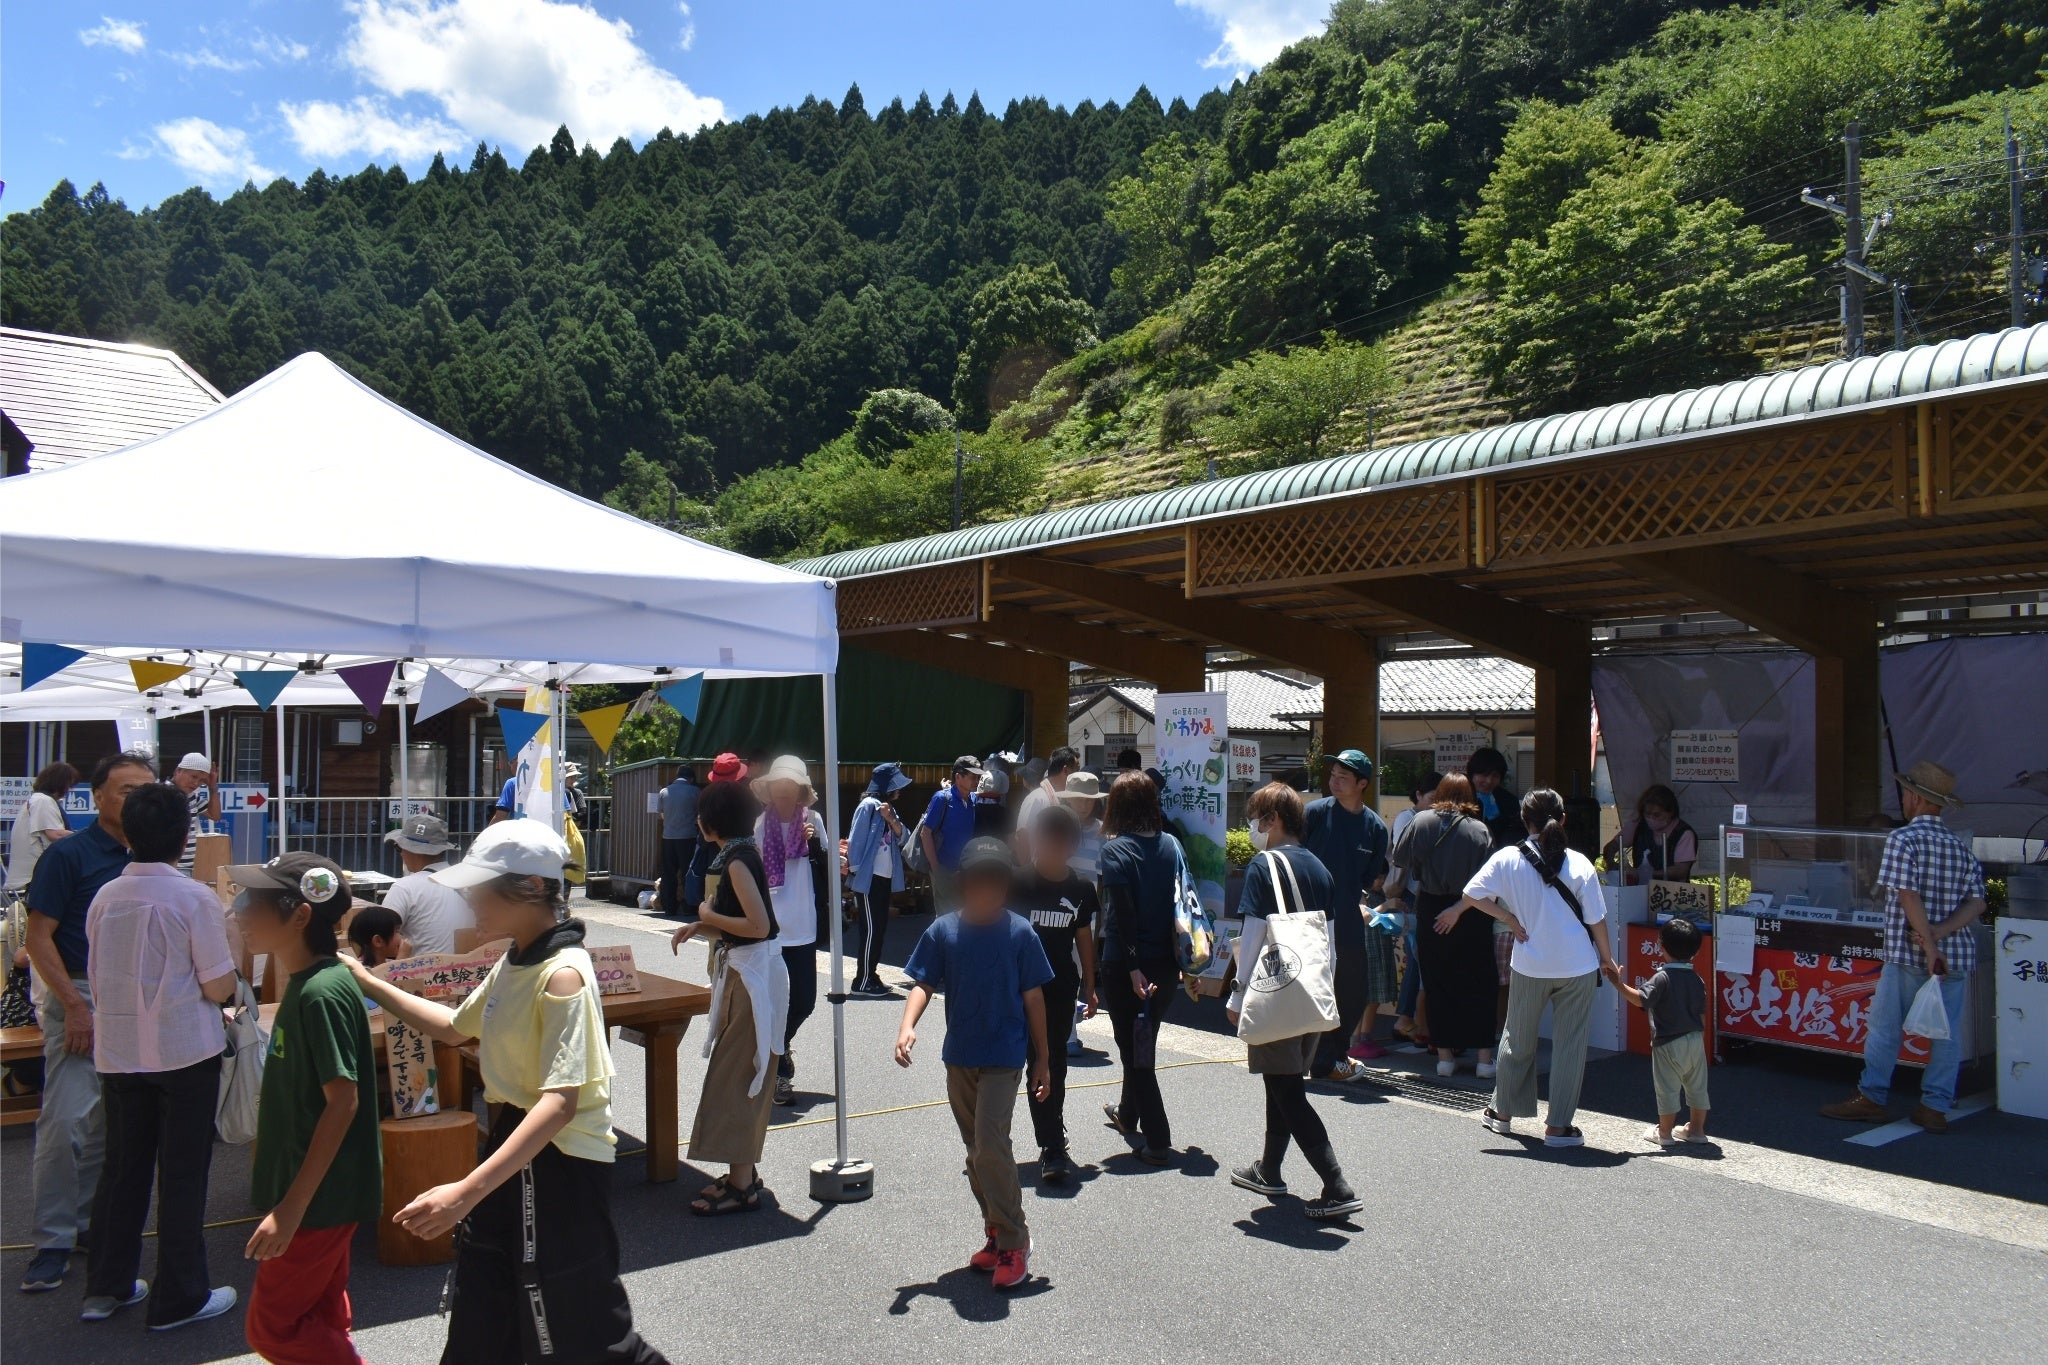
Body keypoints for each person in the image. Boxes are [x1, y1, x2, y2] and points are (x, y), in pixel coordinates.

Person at [349, 821, 668, 1365]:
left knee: (579, 1333)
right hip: (515, 1148)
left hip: (558, 1167)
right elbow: (454, 1027)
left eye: (479, 886)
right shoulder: (516, 958)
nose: (469, 898)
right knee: (486, 1310)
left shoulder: (563, 975)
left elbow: (560, 1103)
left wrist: (466, 1191)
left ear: (527, 889)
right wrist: (370, 981)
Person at [80, 781, 238, 1329]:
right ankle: (179, 1296)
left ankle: (106, 1284)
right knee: (183, 1174)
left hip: (120, 1051)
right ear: (184, 836)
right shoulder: (192, 896)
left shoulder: (105, 895)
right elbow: (219, 985)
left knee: (122, 1169)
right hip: (184, 1050)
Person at [233, 852, 382, 1365]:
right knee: (320, 1313)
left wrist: (291, 1207)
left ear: (299, 915)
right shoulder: (309, 981)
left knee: (271, 1330)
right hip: (318, 1191)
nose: (240, 911)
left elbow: (343, 1102)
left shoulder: (320, 992)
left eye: (254, 901)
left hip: (316, 1198)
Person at [20, 751, 154, 1295]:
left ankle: (83, 1225)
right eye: (125, 790)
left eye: (146, 790)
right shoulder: (69, 855)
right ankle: (51, 1239)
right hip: (79, 991)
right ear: (96, 797)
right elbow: (37, 938)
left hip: (134, 997)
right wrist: (74, 1006)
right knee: (66, 1119)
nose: (136, 799)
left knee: (109, 1121)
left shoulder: (152, 855)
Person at [895, 837, 1053, 1291]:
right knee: (976, 1153)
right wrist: (907, 1025)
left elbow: (1034, 996)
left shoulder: (1021, 933)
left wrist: (1042, 1058)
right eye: (980, 881)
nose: (989, 890)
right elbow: (923, 982)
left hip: (1005, 1056)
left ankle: (1014, 1240)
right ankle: (994, 1231)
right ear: (964, 884)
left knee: (990, 1145)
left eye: (997, 881)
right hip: (960, 1055)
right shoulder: (943, 931)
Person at [1444, 789, 1618, 1147]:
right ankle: (1558, 1127)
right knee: (1570, 1045)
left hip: (1529, 962)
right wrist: (1607, 958)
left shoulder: (1509, 858)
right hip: (1578, 965)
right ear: (1563, 818)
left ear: (1524, 820)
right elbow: (1596, 919)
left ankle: (1502, 1113)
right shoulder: (1580, 863)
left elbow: (1471, 894)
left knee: (1517, 1038)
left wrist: (1508, 916)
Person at [1821, 760, 1988, 1133]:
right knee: (1945, 1035)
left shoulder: (1903, 839)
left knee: (1884, 1028)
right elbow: (1978, 902)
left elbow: (1907, 896)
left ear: (1913, 797)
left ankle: (1872, 1097)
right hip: (1956, 956)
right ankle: (1935, 1107)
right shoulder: (1958, 847)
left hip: (1909, 954)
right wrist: (1941, 934)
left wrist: (1929, 946)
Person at [1226, 782, 1363, 1219]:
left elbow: (1253, 933)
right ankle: (1269, 1169)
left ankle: (1336, 1185)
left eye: (1258, 818)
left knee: (1286, 1089)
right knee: (1283, 1081)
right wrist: (1326, 993)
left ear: (1274, 820)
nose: (1253, 827)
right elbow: (1331, 943)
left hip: (1275, 989)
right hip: (1312, 992)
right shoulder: (1320, 869)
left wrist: (1239, 991)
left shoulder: (1263, 865)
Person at [671, 778, 787, 1215]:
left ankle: (742, 1185)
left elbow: (758, 926)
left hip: (751, 976)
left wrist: (705, 914)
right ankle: (743, 1174)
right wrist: (704, 926)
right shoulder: (741, 853)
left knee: (737, 1076)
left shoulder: (736, 861)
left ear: (708, 822)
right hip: (751, 971)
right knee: (741, 1072)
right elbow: (752, 924)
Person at [1095, 771, 1183, 1164]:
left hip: (1127, 965)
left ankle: (1159, 1138)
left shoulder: (1115, 851)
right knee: (1140, 1042)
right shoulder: (1172, 846)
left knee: (1134, 1052)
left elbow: (1124, 914)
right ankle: (1128, 1114)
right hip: (1165, 963)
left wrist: (1131, 966)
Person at [1010, 802, 1099, 1183]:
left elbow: (1084, 939)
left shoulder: (1080, 888)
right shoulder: (1017, 883)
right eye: (1049, 840)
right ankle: (987, 1141)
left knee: (1051, 1063)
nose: (1055, 848)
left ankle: (1052, 1145)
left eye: (1064, 841)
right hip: (1016, 990)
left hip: (1060, 988)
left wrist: (1092, 987)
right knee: (1010, 1063)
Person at [1390, 775, 1498, 1078]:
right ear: (1469, 795)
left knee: (1438, 981)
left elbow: (1399, 858)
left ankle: (1445, 1058)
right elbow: (1491, 881)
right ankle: (1484, 1060)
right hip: (1472, 909)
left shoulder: (1421, 821)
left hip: (1431, 906)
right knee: (1479, 982)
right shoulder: (1480, 829)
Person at [1303, 748, 1392, 1078]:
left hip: (1347, 918)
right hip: (1307, 917)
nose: (1334, 782)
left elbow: (1369, 878)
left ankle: (1333, 1055)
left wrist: (1362, 900)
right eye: (1332, 775)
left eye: (1343, 777)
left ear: (1362, 784)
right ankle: (1307, 1056)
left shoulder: (1375, 828)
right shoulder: (1313, 813)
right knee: (1307, 985)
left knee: (1353, 989)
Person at [754, 754, 829, 1107]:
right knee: (772, 1002)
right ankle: (779, 1071)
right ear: (770, 790)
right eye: (777, 785)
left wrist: (813, 844)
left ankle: (777, 1049)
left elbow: (830, 870)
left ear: (799, 790)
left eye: (789, 785)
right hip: (769, 927)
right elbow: (751, 873)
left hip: (803, 925)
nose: (783, 791)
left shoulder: (812, 819)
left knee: (804, 1001)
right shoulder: (760, 824)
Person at [1608, 917, 1710, 1146]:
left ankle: (1664, 1133)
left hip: (1668, 1041)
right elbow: (1702, 1013)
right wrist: (1698, 1037)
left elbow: (1641, 999)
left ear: (1661, 946)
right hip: (1695, 1039)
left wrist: (1618, 983)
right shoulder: (1697, 979)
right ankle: (1697, 1130)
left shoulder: (1662, 977)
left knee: (1667, 1087)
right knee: (1697, 1087)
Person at [1382, 769, 1441, 1050]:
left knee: (1419, 958)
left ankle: (1408, 1019)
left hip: (1420, 893)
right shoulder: (1409, 817)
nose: (1437, 803)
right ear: (1418, 795)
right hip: (1411, 895)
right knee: (1418, 958)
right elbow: (1409, 856)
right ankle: (1405, 1019)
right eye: (1433, 797)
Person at [1466, 746, 1523, 1024]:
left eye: (1493, 776)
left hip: (1500, 883)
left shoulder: (1510, 802)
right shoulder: (1461, 798)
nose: (1487, 781)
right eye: (1482, 774)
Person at [845, 763, 911, 999]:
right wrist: (854, 871)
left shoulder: (887, 809)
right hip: (868, 879)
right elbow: (856, 840)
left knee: (879, 929)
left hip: (883, 878)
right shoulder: (868, 806)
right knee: (871, 929)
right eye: (897, 786)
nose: (900, 790)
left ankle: (870, 975)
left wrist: (891, 819)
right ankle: (862, 981)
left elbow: (905, 837)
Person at [381, 813, 469, 955]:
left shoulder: (405, 887)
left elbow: (380, 939)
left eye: (399, 848)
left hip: (421, 974)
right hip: (469, 971)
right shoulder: (468, 881)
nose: (401, 854)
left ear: (413, 851)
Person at [683, 754, 749, 906]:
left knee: (715, 901)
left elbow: (704, 835)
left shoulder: (707, 797)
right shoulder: (746, 797)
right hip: (743, 854)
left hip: (713, 856)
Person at [919, 755, 982, 915]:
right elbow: (925, 833)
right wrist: (936, 867)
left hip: (965, 872)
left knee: (964, 918)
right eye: (972, 776)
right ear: (958, 777)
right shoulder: (941, 798)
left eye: (978, 777)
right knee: (946, 919)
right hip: (944, 870)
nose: (976, 780)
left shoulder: (974, 800)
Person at [1603, 784, 1698, 885]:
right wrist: (1612, 865)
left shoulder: (1684, 834)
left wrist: (1646, 874)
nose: (1651, 818)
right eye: (1647, 814)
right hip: (1640, 891)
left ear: (1671, 812)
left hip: (1672, 893)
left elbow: (1681, 871)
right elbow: (1610, 847)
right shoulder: (1638, 825)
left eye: (1657, 814)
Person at [5, 761, 75, 893]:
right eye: (68, 784)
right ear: (60, 783)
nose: (69, 789)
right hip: (41, 873)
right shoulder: (43, 801)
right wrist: (84, 836)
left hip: (35, 873)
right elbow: (54, 834)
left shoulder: (36, 799)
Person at [1014, 746, 1080, 861]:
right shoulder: (1038, 798)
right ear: (1066, 770)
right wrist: (1027, 874)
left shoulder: (1061, 797)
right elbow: (1022, 838)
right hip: (1035, 873)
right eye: (1077, 770)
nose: (1079, 774)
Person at [654, 765, 701, 917]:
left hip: (668, 837)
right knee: (688, 872)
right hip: (688, 837)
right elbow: (699, 814)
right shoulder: (695, 792)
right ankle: (690, 907)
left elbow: (660, 814)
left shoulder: (664, 791)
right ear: (691, 778)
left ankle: (669, 907)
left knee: (669, 873)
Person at [168, 754, 221, 877]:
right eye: (193, 777)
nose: (196, 783)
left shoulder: (192, 796)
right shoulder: (162, 794)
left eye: (202, 781)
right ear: (179, 771)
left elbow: (215, 815)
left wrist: (212, 787)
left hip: (187, 866)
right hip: (170, 866)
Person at [344, 904, 412, 968]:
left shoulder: (388, 963)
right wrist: (402, 958)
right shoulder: (361, 970)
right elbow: (386, 980)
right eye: (397, 931)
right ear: (378, 941)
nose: (401, 936)